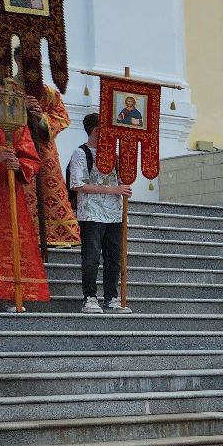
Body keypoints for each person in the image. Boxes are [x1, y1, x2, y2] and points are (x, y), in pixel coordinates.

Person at [66, 111, 132, 313]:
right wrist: (114, 190)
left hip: (114, 213)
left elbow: (121, 181)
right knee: (92, 256)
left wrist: (126, 184)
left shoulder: (115, 156)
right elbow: (77, 184)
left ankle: (111, 297)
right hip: (91, 213)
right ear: (96, 130)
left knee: (114, 257)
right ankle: (90, 297)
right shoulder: (81, 153)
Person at [0, 112, 43, 312]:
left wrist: (18, 165)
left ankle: (7, 297)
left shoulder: (16, 126)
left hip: (7, 196)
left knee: (6, 248)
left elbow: (31, 158)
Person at [26, 86, 75, 249]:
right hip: (17, 146)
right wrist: (20, 109)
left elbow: (62, 118)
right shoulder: (6, 87)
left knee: (49, 187)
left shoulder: (49, 93)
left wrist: (41, 117)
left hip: (44, 150)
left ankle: (55, 232)